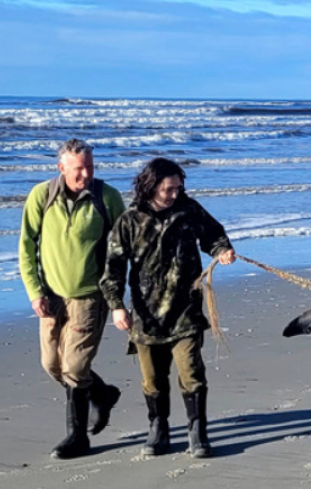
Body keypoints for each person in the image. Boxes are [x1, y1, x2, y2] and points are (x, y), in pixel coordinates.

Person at [101, 157, 236, 458]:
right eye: (168, 189)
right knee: (153, 379)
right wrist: (116, 307)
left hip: (186, 310)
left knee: (192, 372)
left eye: (178, 187)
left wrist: (223, 249)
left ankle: (197, 433)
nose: (175, 194)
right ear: (150, 187)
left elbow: (213, 235)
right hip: (146, 315)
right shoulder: (129, 221)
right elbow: (113, 268)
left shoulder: (189, 210)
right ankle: (158, 429)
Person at [18, 138, 126, 459]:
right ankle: (103, 394)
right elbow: (26, 246)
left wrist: (118, 298)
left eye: (90, 167)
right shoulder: (42, 196)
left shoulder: (107, 198)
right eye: (78, 168)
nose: (85, 174)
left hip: (90, 297)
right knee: (52, 365)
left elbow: (122, 250)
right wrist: (34, 291)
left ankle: (77, 437)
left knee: (75, 367)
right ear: (61, 167)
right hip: (51, 297)